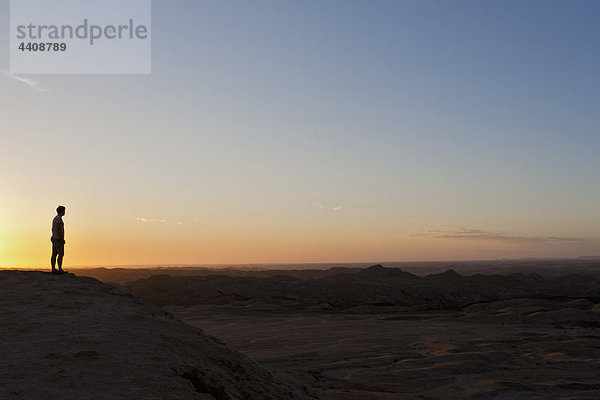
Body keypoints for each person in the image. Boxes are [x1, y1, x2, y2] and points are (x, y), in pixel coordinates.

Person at [51, 206, 66, 274]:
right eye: (64, 211)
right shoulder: (59, 219)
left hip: (54, 238)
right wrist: (62, 239)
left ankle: (53, 269)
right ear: (61, 211)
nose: (65, 212)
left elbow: (53, 229)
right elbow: (59, 229)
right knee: (61, 254)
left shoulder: (55, 219)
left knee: (54, 254)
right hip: (58, 239)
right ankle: (59, 269)